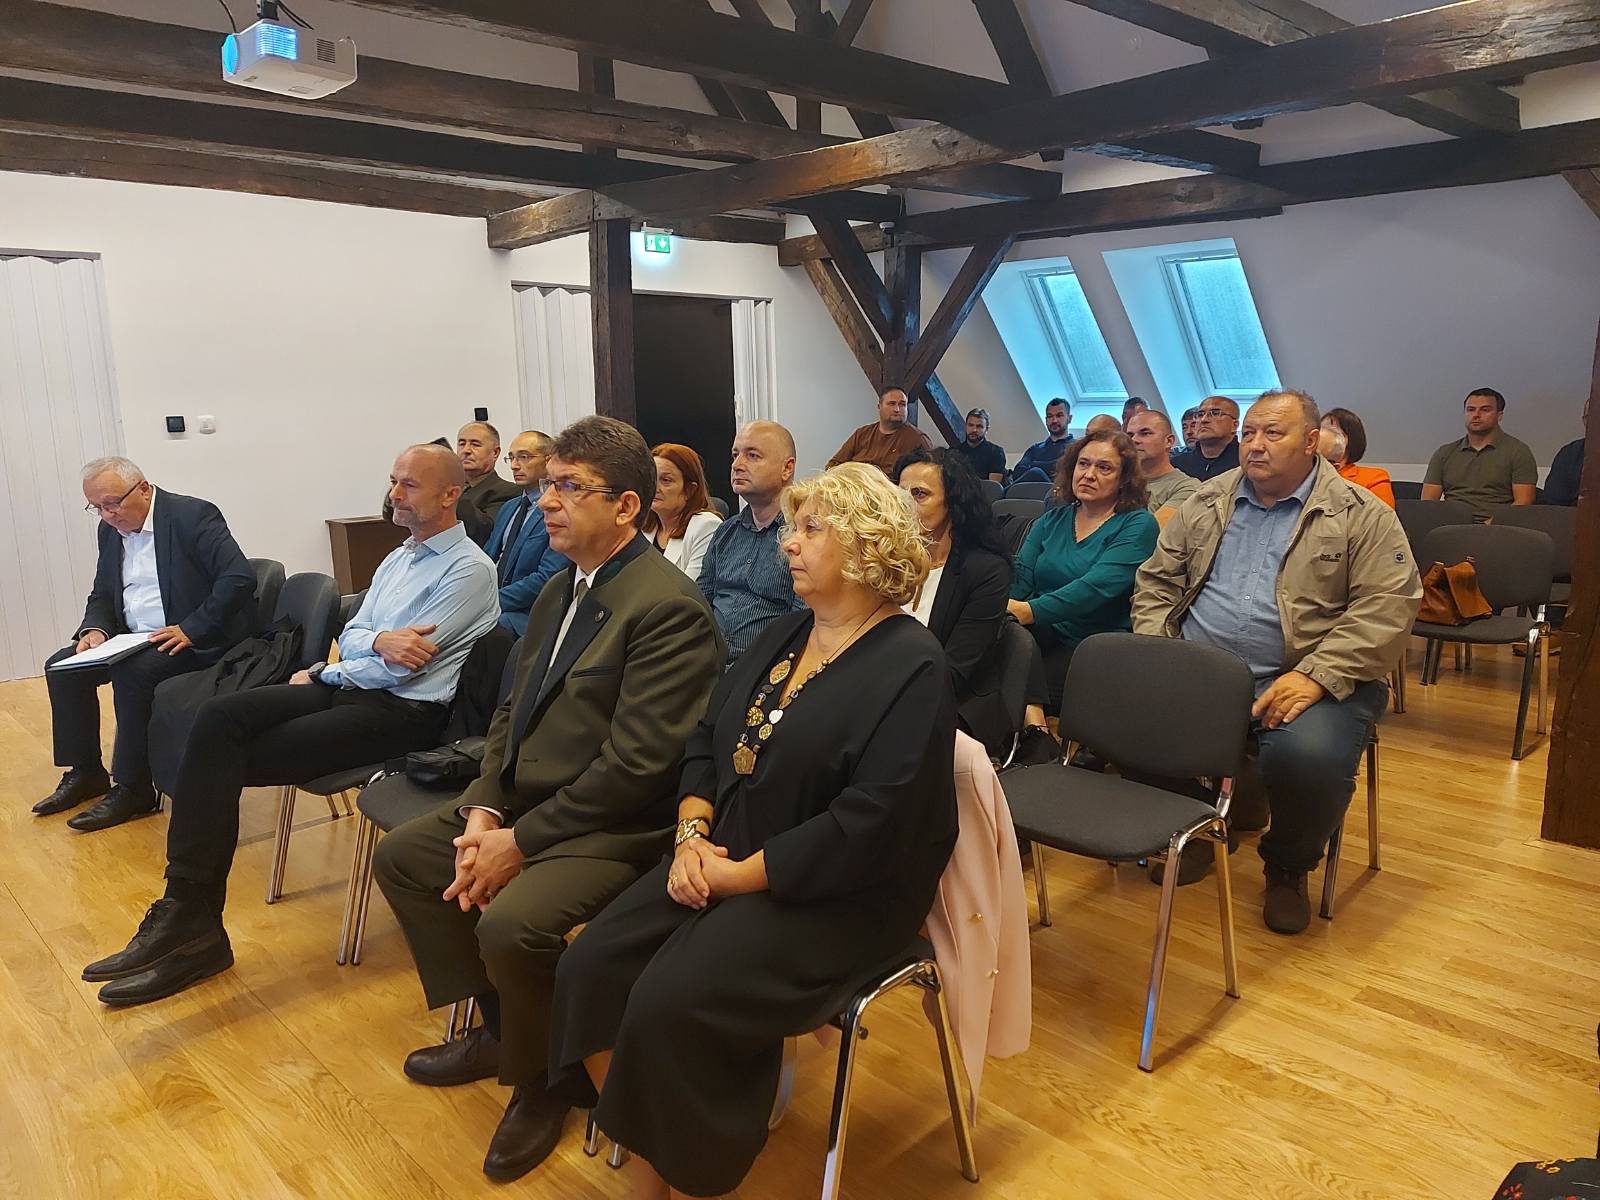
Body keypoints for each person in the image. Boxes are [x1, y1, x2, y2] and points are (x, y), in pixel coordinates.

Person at [546, 462, 957, 1200]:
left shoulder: (913, 664)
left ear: (867, 548)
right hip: (724, 849)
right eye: (793, 528)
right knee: (590, 967)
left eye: (810, 530)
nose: (788, 544)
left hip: (840, 892)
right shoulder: (786, 633)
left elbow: (873, 821)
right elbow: (708, 737)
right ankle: (664, 1146)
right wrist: (691, 833)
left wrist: (740, 875)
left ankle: (667, 1181)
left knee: (670, 999)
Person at [372, 417, 724, 1185]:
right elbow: (511, 713)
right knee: (406, 857)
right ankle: (506, 1032)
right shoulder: (566, 585)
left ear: (626, 506)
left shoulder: (666, 607)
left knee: (514, 924)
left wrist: (519, 844)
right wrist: (483, 810)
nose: (546, 502)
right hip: (530, 805)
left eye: (569, 487)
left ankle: (548, 1082)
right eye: (547, 485)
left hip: (617, 827)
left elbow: (637, 768)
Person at [81, 443, 500, 1005]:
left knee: (218, 762)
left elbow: (401, 669)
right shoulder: (399, 558)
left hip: (403, 715)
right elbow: (355, 631)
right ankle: (186, 912)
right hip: (350, 687)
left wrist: (335, 666)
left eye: (409, 485)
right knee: (217, 718)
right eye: (393, 480)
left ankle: (193, 925)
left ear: (450, 495)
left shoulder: (470, 570)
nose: (394, 494)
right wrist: (375, 640)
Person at [1133, 389, 1420, 935]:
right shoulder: (1208, 500)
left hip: (1311, 675)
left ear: (1311, 442)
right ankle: (1199, 823)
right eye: (1249, 434)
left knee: (1308, 758)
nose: (1255, 445)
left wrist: (1317, 674)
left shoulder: (1361, 514)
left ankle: (1288, 865)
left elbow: (1389, 607)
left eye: (1273, 433)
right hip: (1202, 669)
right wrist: (1160, 650)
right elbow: (1156, 581)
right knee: (1120, 713)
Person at [36, 457, 255, 831]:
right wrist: (95, 630)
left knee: (133, 674)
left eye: (112, 504)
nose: (107, 515)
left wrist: (191, 628)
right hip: (132, 638)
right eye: (97, 508)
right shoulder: (110, 531)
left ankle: (135, 788)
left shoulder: (192, 516)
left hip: (193, 639)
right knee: (63, 668)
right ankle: (87, 771)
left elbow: (238, 578)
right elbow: (103, 592)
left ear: (143, 489)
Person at [1008, 429, 1159, 712]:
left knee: (1006, 676)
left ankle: (1033, 725)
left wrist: (1026, 611)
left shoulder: (1138, 524)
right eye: (1083, 464)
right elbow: (1021, 576)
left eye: (1104, 468)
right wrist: (1000, 607)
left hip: (1092, 645)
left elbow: (1094, 589)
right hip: (1040, 632)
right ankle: (1033, 726)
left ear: (1124, 479)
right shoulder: (1052, 519)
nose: (1089, 474)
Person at [893, 447, 1014, 753]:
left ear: (953, 502)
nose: (904, 505)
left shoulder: (986, 571)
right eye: (900, 494)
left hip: (952, 703)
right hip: (888, 689)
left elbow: (954, 672)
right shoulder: (890, 561)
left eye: (919, 494)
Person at [698, 421, 806, 664]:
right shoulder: (726, 531)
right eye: (735, 455)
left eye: (752, 455)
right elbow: (700, 601)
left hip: (767, 667)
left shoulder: (803, 536)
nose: (737, 465)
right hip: (709, 662)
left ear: (787, 468)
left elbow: (803, 623)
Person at [486, 430, 568, 636]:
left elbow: (547, 577)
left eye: (524, 457)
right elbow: (487, 559)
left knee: (489, 630)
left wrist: (490, 602)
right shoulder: (509, 508)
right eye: (511, 458)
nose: (514, 465)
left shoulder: (559, 510)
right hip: (492, 602)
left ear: (549, 460)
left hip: (529, 612)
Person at [1422, 388, 1537, 518]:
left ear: (1499, 415)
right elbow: (1428, 502)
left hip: (1498, 525)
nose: (1476, 415)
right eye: (1471, 409)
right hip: (1451, 523)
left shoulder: (1518, 452)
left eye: (1485, 410)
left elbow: (1524, 501)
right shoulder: (1444, 453)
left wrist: (1492, 523)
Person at [643, 442, 722, 581]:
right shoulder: (642, 527)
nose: (655, 487)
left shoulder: (706, 526)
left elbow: (691, 589)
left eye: (666, 480)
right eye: (651, 478)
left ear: (690, 490)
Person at [826, 386, 932, 475]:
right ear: (879, 407)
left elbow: (929, 475)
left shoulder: (917, 439)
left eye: (902, 404)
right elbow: (833, 465)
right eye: (892, 404)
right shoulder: (862, 434)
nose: (897, 409)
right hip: (853, 488)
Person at [1127, 409, 1199, 525]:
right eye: (1130, 435)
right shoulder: (1118, 480)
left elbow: (1150, 532)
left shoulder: (1187, 487)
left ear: (1168, 441)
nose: (1134, 440)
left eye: (1145, 433)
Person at [458, 422, 523, 542]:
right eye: (462, 444)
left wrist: (453, 490)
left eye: (475, 445)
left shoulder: (508, 492)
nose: (466, 450)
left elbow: (484, 532)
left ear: (495, 452)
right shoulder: (446, 491)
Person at [1318, 408, 1396, 507]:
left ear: (1348, 438)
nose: (1323, 436)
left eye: (1332, 431)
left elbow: (1382, 515)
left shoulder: (1374, 478)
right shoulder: (1304, 475)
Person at [1171, 396, 1241, 481]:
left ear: (1234, 425)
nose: (1204, 420)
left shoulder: (1246, 461)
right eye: (1200, 415)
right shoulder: (1177, 465)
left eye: (1215, 413)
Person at [1011, 397, 1073, 484]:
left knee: (1036, 472)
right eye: (1050, 416)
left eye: (1059, 415)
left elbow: (1065, 469)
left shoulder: (1075, 447)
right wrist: (1050, 466)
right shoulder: (1035, 448)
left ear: (1069, 418)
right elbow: (1017, 472)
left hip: (1057, 491)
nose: (1054, 420)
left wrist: (1033, 464)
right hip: (1027, 491)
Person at [1540, 397, 1587, 507]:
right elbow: (1553, 502)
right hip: (1574, 514)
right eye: (1592, 417)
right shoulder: (1569, 454)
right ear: (1585, 421)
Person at [952, 407, 1007, 482]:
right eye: (970, 425)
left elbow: (993, 486)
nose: (974, 430)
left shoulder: (996, 452)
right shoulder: (953, 452)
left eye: (979, 426)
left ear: (986, 429)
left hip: (985, 489)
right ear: (966, 426)